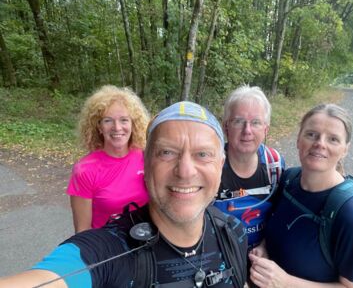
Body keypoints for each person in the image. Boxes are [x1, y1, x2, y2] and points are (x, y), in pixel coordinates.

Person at [0, 101, 248, 288]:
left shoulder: (233, 233)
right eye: (167, 153)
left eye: (202, 154)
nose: (185, 171)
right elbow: (59, 272)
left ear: (221, 165)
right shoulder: (110, 251)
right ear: (146, 163)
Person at [249, 103, 353, 288]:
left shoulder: (351, 215)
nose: (319, 144)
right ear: (298, 140)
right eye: (311, 134)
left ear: (345, 149)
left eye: (333, 139)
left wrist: (285, 282)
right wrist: (264, 247)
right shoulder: (288, 179)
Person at [67, 85, 150, 233]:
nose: (117, 127)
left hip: (147, 242)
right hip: (108, 247)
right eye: (108, 121)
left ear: (133, 124)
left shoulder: (146, 157)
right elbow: (82, 231)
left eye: (124, 120)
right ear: (98, 126)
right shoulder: (84, 170)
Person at [213, 85, 285, 249]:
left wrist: (265, 246)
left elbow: (280, 216)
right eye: (238, 121)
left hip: (262, 258)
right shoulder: (212, 166)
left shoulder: (274, 164)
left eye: (256, 123)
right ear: (226, 127)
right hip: (221, 258)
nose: (247, 130)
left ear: (265, 130)